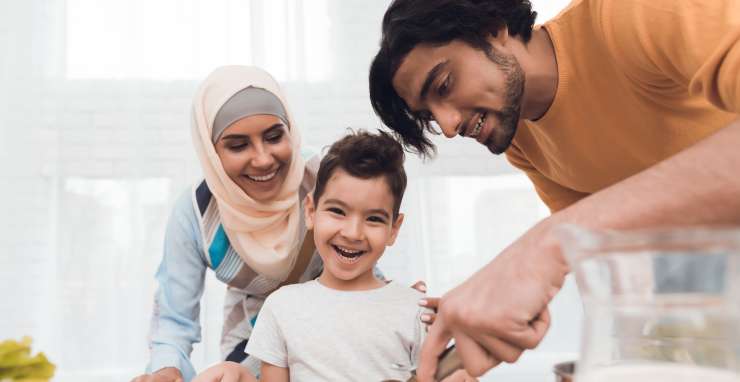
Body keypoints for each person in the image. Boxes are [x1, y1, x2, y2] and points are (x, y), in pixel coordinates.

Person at [368, 0, 740, 380]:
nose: (448, 126)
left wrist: (551, 243)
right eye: (430, 115)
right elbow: (629, 270)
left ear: (492, 28)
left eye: (445, 84)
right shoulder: (525, 143)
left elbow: (575, 237)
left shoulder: (632, 14)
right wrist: (492, 324)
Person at [192, 130, 476, 382]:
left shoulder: (417, 311)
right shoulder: (281, 309)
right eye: (338, 211)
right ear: (311, 211)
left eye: (374, 218)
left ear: (394, 229)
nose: (353, 233)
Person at [131, 65, 325, 382]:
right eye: (238, 145)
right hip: (251, 345)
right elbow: (174, 319)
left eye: (274, 136)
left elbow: (361, 247)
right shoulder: (197, 212)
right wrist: (166, 370)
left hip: (339, 327)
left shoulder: (324, 177)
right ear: (211, 151)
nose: (263, 159)